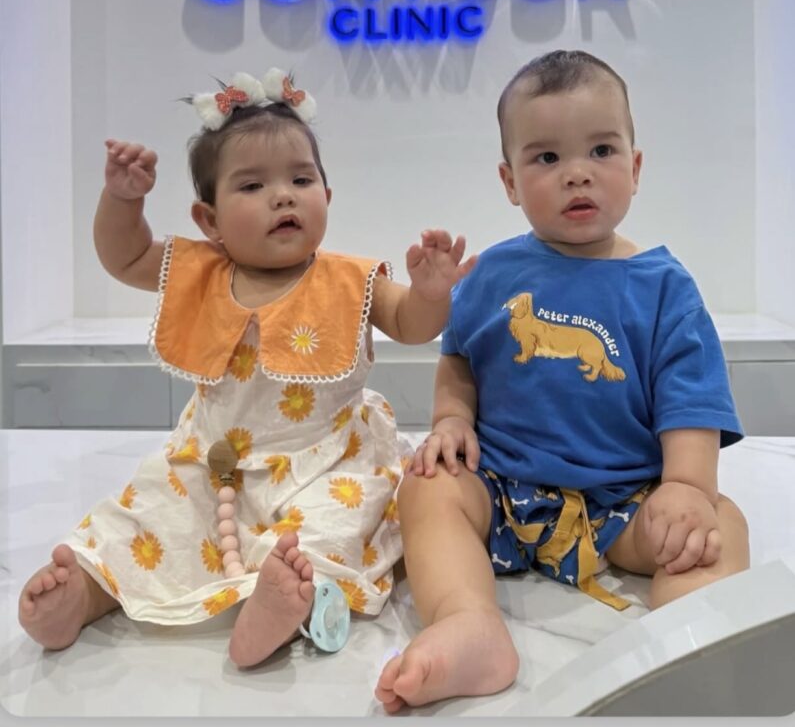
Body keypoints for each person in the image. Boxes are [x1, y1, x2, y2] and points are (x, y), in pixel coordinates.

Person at [18, 67, 476, 669]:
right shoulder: (199, 272)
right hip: (210, 463)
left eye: (301, 179)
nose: (283, 196)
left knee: (330, 530)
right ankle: (89, 589)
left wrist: (431, 293)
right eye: (253, 185)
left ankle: (286, 603)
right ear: (208, 220)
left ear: (327, 196)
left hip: (324, 462)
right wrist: (123, 201)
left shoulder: (350, 279)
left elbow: (410, 322)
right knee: (148, 515)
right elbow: (124, 257)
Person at [376, 49, 749, 713]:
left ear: (635, 167)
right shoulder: (490, 275)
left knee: (716, 522)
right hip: (501, 494)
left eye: (601, 150)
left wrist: (687, 487)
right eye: (546, 157)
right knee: (426, 487)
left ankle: (687, 637)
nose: (577, 173)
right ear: (509, 181)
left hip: (623, 505)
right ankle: (466, 620)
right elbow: (459, 360)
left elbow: (689, 401)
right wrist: (450, 422)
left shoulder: (665, 288)